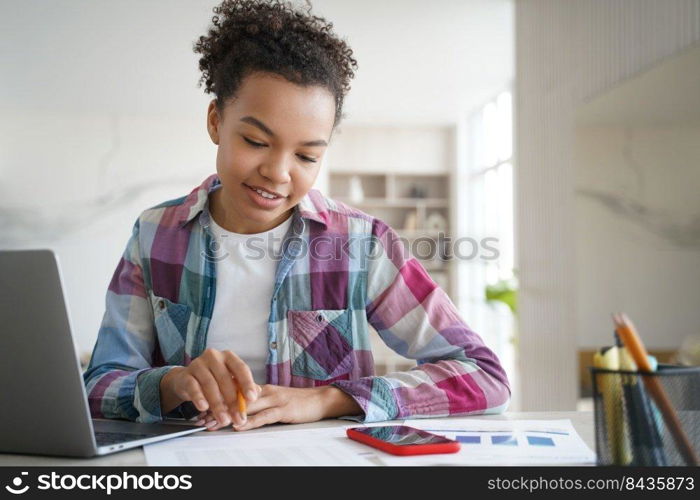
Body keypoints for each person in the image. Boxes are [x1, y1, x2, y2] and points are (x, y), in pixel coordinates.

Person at [83, 0, 511, 432]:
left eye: (307, 155)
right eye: (255, 140)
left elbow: (484, 376)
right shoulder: (156, 234)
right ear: (216, 121)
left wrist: (328, 399)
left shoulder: (362, 243)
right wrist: (173, 384)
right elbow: (98, 386)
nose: (278, 172)